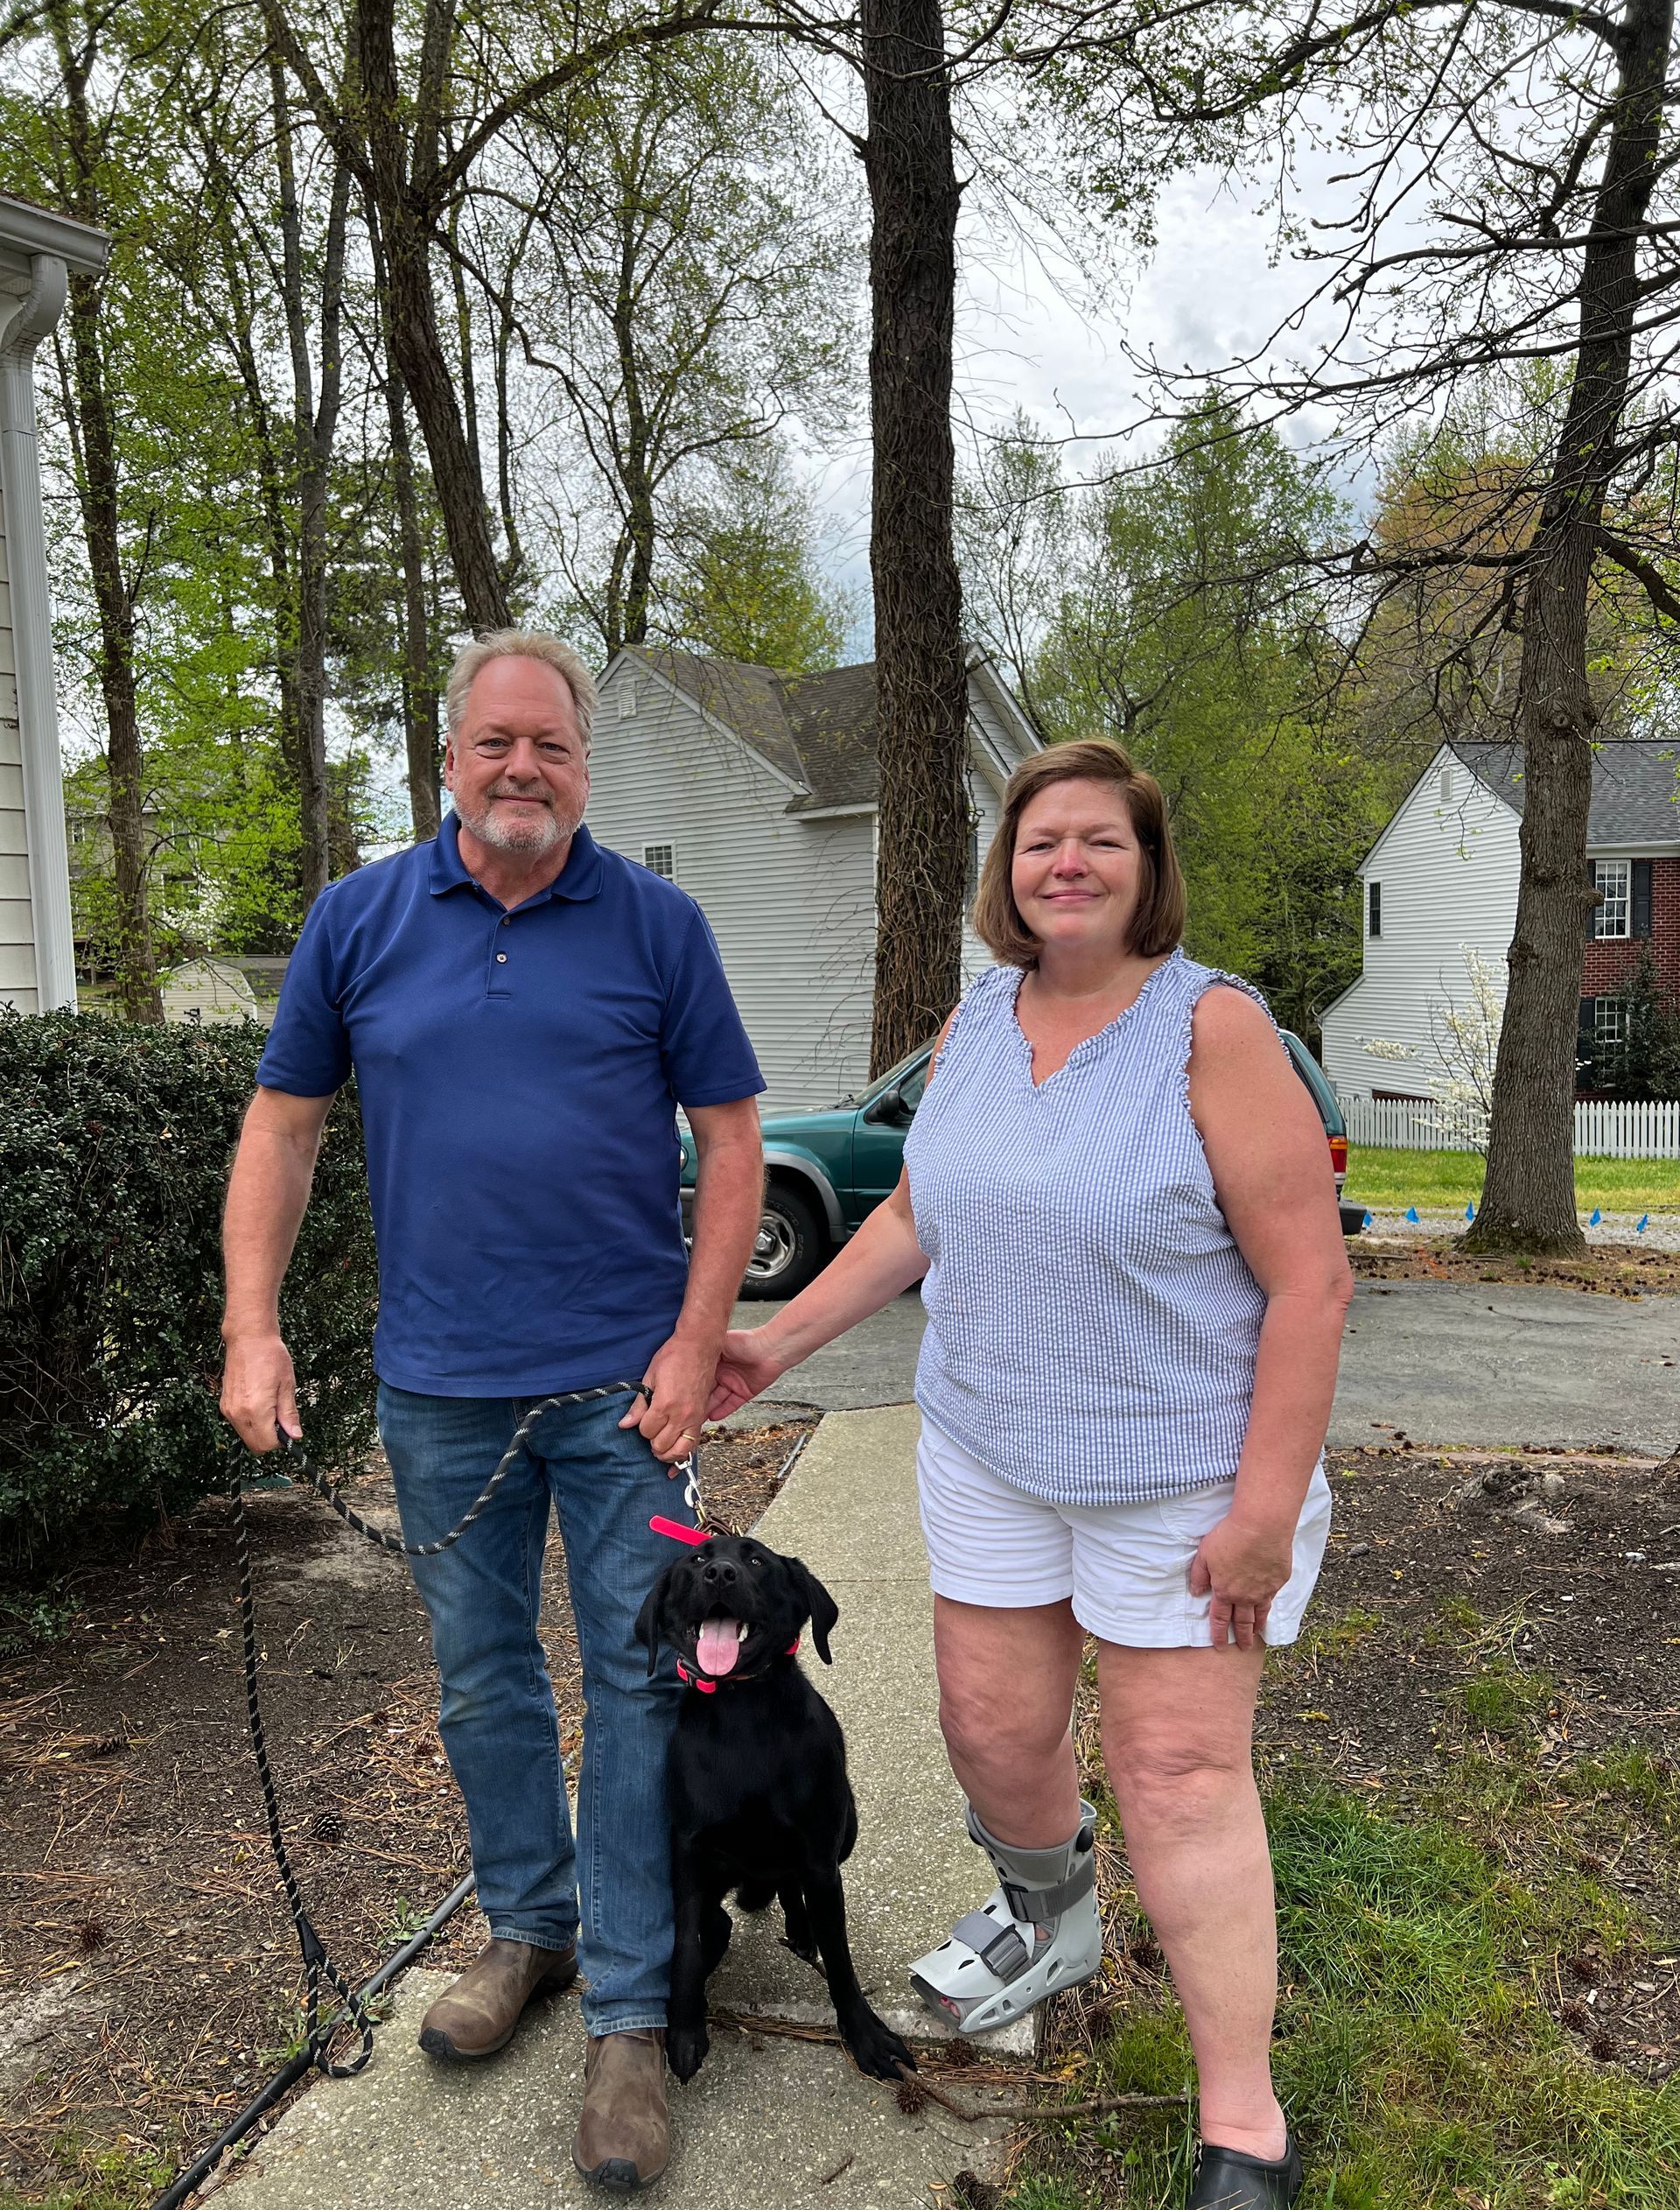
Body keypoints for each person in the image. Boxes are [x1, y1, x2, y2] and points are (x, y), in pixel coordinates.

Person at [707, 738, 1352, 2210]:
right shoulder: (980, 1018)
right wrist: (775, 1342)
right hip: (993, 1454)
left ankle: (1241, 2122)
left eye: (1100, 842)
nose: (1067, 861)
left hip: (1180, 1477)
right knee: (993, 1736)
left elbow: (1311, 1285)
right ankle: (1047, 1921)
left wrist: (1263, 1514)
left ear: (1147, 869)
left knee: (1177, 1776)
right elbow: (926, 1208)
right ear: (1008, 870)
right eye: (1041, 839)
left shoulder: (1215, 1031)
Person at [220, 629, 766, 2193]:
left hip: (627, 1400)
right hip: (439, 1393)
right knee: (481, 1680)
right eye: (494, 743)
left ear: (585, 765)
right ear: (448, 758)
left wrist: (696, 1339)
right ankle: (526, 1930)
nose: (522, 768)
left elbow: (731, 1146)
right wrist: (251, 1326)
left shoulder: (657, 924)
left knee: (646, 1681)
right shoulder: (360, 920)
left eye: (553, 745)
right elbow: (284, 1128)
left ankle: (632, 2015)